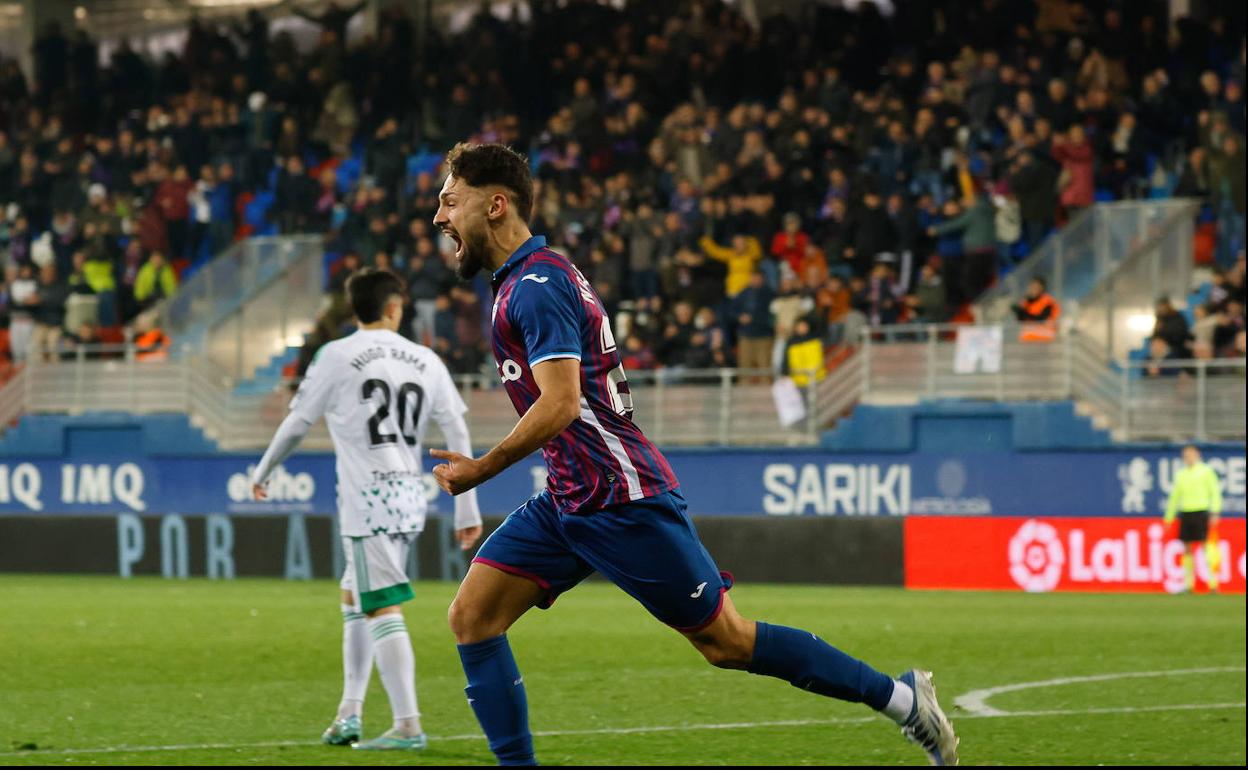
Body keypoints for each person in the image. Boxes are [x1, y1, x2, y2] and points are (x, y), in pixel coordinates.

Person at [429, 143, 958, 766]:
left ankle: (902, 700)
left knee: (727, 641)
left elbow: (561, 404)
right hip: (569, 496)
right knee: (472, 618)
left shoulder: (536, 286)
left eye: (450, 200)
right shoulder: (522, 280)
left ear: (494, 205)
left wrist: (479, 470)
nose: (440, 217)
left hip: (620, 497)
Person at [250, 269, 483, 751]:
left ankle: (408, 725)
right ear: (395, 306)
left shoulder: (336, 355)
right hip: (407, 495)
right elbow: (457, 431)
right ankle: (349, 714)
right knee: (355, 597)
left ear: (354, 308)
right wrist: (466, 507)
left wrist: (264, 469)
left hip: (366, 499)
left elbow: (297, 424)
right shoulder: (425, 359)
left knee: (379, 606)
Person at [1163, 445, 1223, 593]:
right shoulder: (1181, 474)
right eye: (1185, 455)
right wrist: (1168, 518)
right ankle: (1188, 584)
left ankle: (1213, 583)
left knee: (1206, 546)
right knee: (1187, 548)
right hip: (1186, 512)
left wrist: (1215, 511)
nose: (1188, 458)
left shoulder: (1206, 471)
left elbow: (1215, 492)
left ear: (1197, 455)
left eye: (1190, 455)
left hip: (1201, 511)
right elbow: (1174, 497)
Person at [1011, 277, 1061, 342]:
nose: (1032, 289)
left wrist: (1023, 311)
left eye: (1036, 287)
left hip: (1044, 339)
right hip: (1027, 339)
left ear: (1042, 288)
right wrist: (1018, 310)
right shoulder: (1026, 301)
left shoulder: (1048, 302)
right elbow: (1020, 319)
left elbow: (1041, 319)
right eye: (1031, 287)